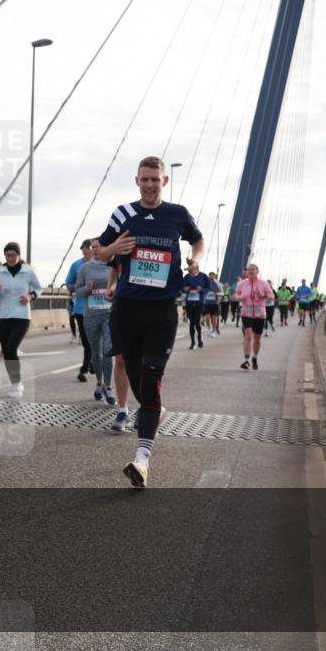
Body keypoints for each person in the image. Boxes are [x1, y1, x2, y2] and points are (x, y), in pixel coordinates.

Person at [99, 156, 205, 488]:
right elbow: (100, 251)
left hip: (162, 311)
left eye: (155, 180)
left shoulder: (178, 214)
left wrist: (195, 260)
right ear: (136, 181)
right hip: (127, 309)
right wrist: (115, 247)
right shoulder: (122, 213)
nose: (149, 185)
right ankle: (151, 412)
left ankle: (142, 459)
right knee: (135, 378)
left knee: (151, 378)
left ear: (164, 182)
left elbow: (198, 239)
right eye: (144, 180)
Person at [0, 242, 42, 398]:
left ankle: (17, 384)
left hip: (22, 316)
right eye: (8, 255)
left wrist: (30, 296)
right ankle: (14, 383)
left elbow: (38, 288)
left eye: (13, 255)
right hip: (5, 316)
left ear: (19, 255)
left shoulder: (28, 271)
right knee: (7, 352)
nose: (10, 258)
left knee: (11, 348)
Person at [74, 238, 116, 404]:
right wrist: (87, 289)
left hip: (109, 313)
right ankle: (99, 381)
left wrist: (112, 291)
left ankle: (108, 385)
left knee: (108, 350)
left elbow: (119, 286)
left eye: (98, 246)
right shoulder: (85, 268)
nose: (95, 250)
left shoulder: (112, 266)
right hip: (91, 316)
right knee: (96, 354)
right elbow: (78, 291)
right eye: (93, 247)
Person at [65, 239, 94, 381]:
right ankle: (88, 366)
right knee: (86, 341)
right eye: (83, 248)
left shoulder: (102, 264)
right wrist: (78, 288)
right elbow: (69, 284)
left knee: (95, 340)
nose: (85, 250)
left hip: (98, 308)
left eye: (88, 247)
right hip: (80, 308)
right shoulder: (76, 265)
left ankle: (86, 367)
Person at [236, 264, 275, 370]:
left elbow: (272, 296)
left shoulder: (264, 284)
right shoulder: (242, 284)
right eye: (249, 270)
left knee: (257, 338)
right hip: (246, 313)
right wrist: (241, 297)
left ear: (257, 271)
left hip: (260, 313)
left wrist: (263, 296)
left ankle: (255, 357)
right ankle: (246, 360)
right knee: (248, 335)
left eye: (253, 269)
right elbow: (237, 295)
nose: (250, 271)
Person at [183, 261, 208, 349]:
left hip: (199, 302)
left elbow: (208, 288)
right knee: (191, 323)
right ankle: (192, 342)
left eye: (194, 267)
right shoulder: (186, 277)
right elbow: (181, 288)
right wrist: (185, 289)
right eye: (191, 267)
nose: (192, 268)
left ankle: (199, 338)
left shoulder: (203, 276)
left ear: (197, 267)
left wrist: (201, 290)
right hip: (189, 302)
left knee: (197, 321)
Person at [204, 271, 221, 337]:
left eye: (212, 276)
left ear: (215, 276)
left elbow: (222, 292)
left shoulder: (217, 284)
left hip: (215, 303)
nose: (211, 277)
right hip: (207, 303)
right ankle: (209, 329)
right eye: (210, 276)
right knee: (207, 317)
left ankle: (214, 331)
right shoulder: (206, 283)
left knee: (214, 318)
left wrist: (217, 294)